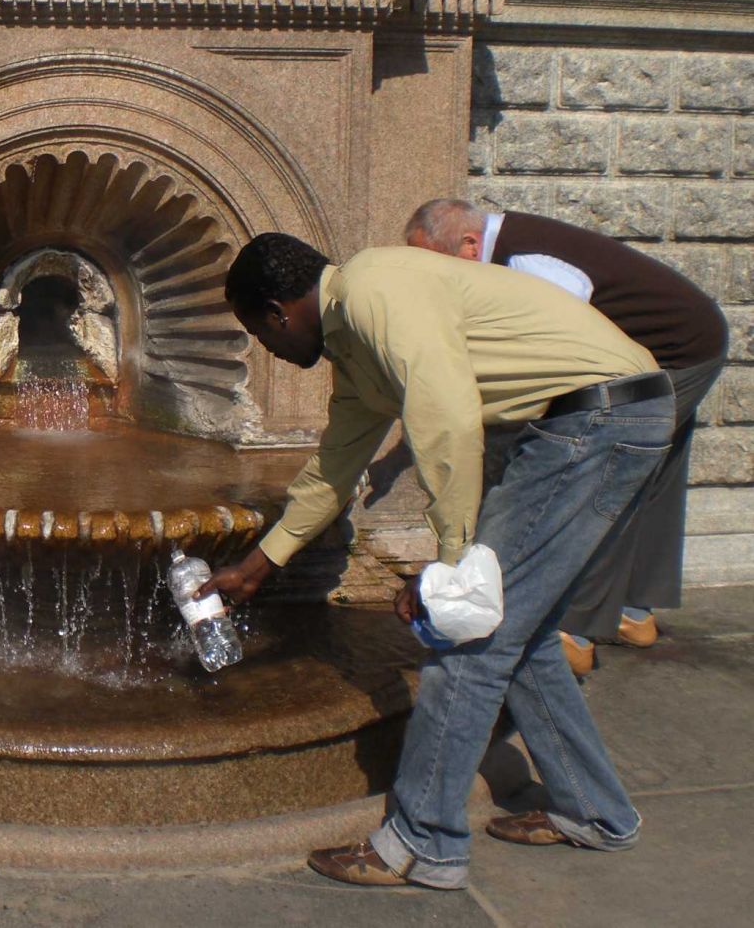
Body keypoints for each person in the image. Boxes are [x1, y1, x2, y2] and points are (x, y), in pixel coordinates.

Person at [202, 234, 673, 890]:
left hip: (597, 421)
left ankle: (424, 843)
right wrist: (260, 561)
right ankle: (596, 810)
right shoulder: (357, 347)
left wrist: (452, 569)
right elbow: (333, 469)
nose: (270, 349)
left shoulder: (373, 289)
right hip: (605, 416)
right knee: (520, 633)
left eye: (260, 333)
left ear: (278, 311)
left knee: (469, 630)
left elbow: (447, 416)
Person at [405, 198, 727, 675]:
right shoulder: (513, 243)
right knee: (648, 476)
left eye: (434, 260)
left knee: (601, 478)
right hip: (692, 337)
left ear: (470, 245)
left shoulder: (526, 262)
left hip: (675, 353)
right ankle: (631, 614)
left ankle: (571, 633)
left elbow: (557, 344)